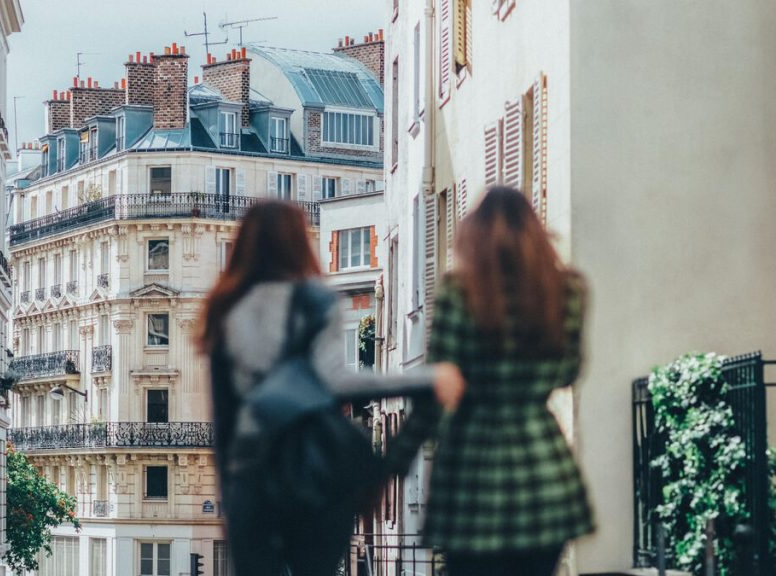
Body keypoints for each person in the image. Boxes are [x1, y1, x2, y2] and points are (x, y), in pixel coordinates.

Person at [198, 200, 444, 576]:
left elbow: (224, 416)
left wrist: (229, 498)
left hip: (251, 474)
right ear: (299, 243)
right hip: (316, 472)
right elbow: (335, 381)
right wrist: (424, 379)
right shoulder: (314, 301)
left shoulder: (224, 307)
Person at [387, 186, 595, 576]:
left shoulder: (459, 293)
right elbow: (570, 372)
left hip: (472, 472)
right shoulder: (567, 291)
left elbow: (437, 388)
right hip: (543, 471)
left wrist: (392, 464)